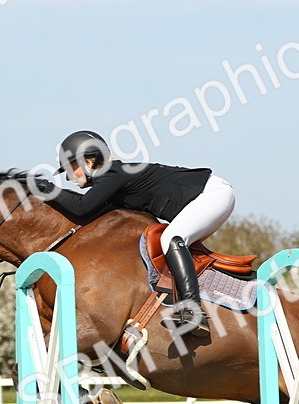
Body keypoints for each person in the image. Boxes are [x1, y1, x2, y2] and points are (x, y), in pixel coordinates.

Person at [48, 130, 236, 338]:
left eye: (69, 167)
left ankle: (192, 310)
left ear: (89, 161)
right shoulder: (111, 181)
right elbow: (88, 214)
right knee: (174, 245)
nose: (67, 176)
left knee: (171, 239)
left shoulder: (112, 172)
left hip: (213, 194)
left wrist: (48, 190)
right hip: (211, 196)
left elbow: (82, 207)